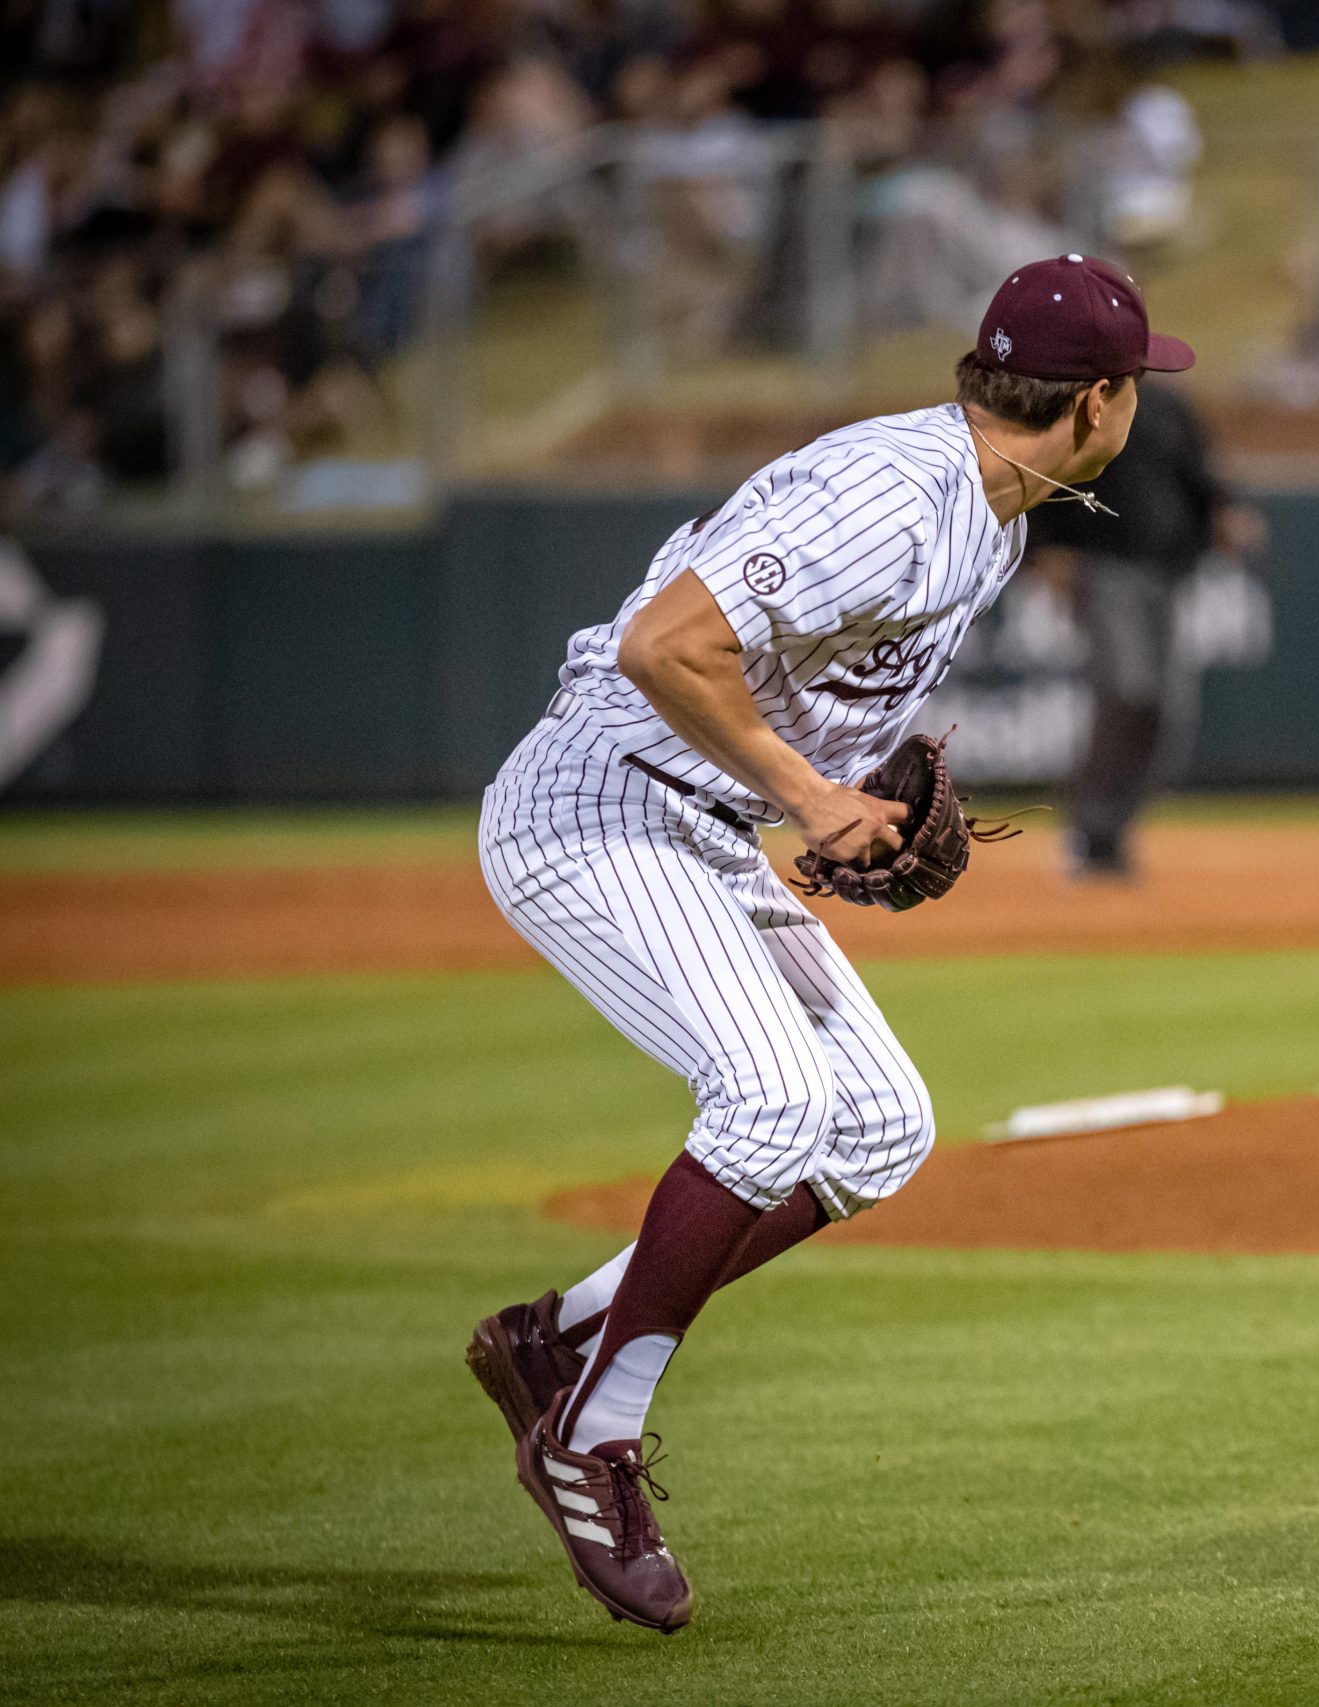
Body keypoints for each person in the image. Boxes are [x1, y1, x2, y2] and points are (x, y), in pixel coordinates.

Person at [466, 255, 1193, 1632]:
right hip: (598, 809)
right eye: (1138, 385)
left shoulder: (994, 510)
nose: (1139, 405)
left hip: (697, 822)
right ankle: (589, 1428)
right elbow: (664, 647)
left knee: (878, 1124)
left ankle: (556, 1337)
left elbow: (787, 680)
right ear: (1098, 402)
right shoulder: (893, 498)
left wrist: (858, 794)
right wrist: (812, 796)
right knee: (774, 1097)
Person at [1025, 377, 1261, 878]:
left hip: (1168, 573)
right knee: (1127, 690)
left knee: (1165, 710)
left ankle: (1109, 834)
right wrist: (1045, 548)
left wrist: (1222, 513)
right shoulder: (1082, 399)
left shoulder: (1166, 405)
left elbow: (1197, 474)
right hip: (1105, 567)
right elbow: (1046, 472)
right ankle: (1087, 829)